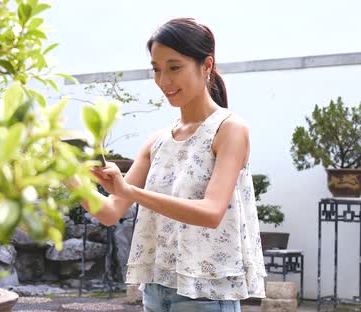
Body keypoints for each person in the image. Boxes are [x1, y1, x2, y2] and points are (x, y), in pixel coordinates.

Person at [74, 18, 266, 311]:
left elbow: (212, 212)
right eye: (156, 69)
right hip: (155, 289)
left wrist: (129, 191)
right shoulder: (157, 141)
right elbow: (111, 212)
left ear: (206, 66)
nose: (163, 80)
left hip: (204, 292)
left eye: (174, 67)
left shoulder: (229, 129)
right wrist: (67, 177)